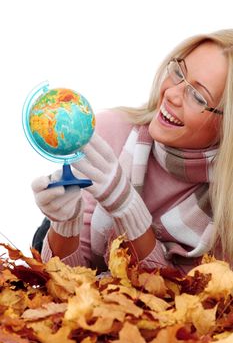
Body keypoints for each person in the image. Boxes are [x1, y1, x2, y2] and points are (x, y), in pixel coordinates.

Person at [31, 29, 233, 274]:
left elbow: (181, 302)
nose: (171, 94)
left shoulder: (226, 207)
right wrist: (64, 223)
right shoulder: (110, 134)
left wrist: (127, 207)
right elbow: (66, 282)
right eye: (178, 73)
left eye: (197, 96)